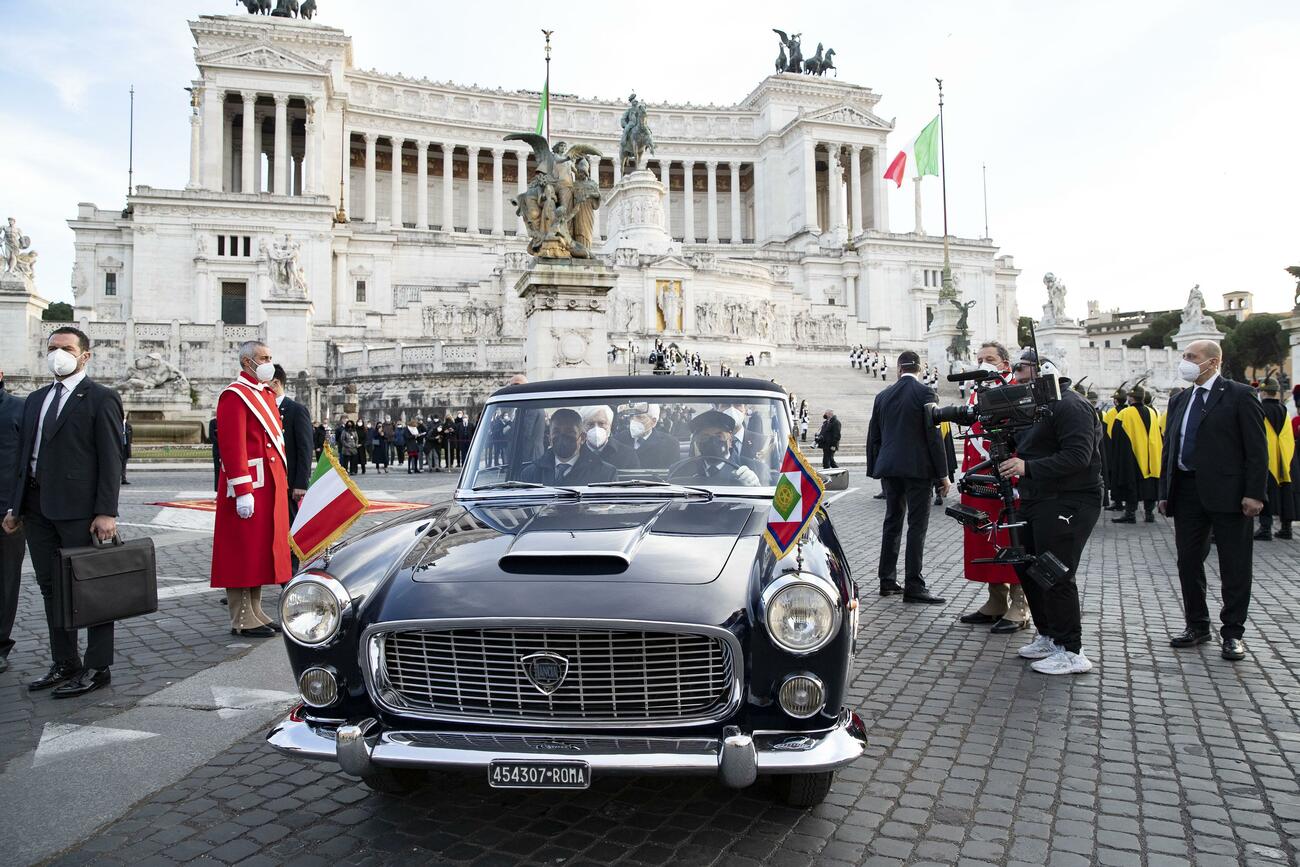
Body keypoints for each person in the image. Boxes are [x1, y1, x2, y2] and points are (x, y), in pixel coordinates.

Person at [2, 327, 123, 697]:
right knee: (51, 587)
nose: (58, 354)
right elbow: (24, 457)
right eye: (52, 348)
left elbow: (111, 458)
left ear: (84, 355)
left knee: (91, 588)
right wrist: (15, 505)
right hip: (36, 509)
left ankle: (97, 665)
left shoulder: (101, 398)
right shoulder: (36, 399)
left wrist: (106, 511)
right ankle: (64, 661)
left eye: (66, 348)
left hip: (81, 512)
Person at [995, 351, 1103, 675]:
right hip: (1037, 498)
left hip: (1070, 500)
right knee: (1030, 568)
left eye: (1023, 369)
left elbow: (1078, 456)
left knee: (1055, 571)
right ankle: (1049, 635)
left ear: (1046, 370)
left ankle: (1073, 650)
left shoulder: (1072, 405)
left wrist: (1027, 467)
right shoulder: (1034, 408)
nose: (1016, 375)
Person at [1159, 340, 1267, 662]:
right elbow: (1170, 448)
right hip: (1187, 491)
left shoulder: (1239, 395)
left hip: (1230, 494)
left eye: (1192, 357)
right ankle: (1197, 624)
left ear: (1213, 362)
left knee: (1234, 564)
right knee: (1188, 561)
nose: (1186, 362)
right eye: (1184, 357)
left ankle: (1233, 632)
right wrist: (1165, 491)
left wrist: (1254, 493)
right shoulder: (1179, 399)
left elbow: (1257, 449)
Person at [210, 341, 290, 638]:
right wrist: (242, 488)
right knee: (242, 549)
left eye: (270, 357)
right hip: (247, 485)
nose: (269, 362)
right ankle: (241, 616)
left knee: (258, 549)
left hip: (268, 483)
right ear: (247, 362)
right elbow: (232, 446)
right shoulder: (234, 396)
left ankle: (255, 610)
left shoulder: (264, 393)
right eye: (263, 358)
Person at [956, 342, 1029, 633]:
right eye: (980, 359)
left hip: (1006, 482)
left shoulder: (1014, 391)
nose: (984, 363)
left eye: (990, 359)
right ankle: (996, 599)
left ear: (1005, 363)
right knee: (984, 541)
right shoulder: (978, 391)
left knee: (1013, 541)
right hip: (980, 481)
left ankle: (1020, 604)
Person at [866, 349, 949, 604]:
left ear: (898, 369)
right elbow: (934, 436)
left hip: (890, 468)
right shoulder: (926, 393)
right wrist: (942, 475)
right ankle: (914, 584)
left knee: (892, 522)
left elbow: (874, 436)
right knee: (917, 525)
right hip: (917, 469)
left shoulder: (882, 395)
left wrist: (874, 467)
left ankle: (887, 580)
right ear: (920, 369)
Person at [269, 365, 312, 570]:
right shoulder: (263, 410)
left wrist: (301, 483)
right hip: (267, 483)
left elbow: (305, 449)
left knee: (289, 531)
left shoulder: (295, 410)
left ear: (275, 383)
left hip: (288, 484)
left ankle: (291, 574)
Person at [0, 369, 25, 675]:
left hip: (6, 512)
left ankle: (0, 643)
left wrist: (17, 508)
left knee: (5, 581)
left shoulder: (20, 408)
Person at [520, 408, 618, 486]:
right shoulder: (530, 474)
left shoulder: (606, 475)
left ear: (582, 437)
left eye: (569, 432)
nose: (562, 436)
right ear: (549, 438)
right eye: (557, 432)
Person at [667, 410, 763, 486]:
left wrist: (756, 488)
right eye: (705, 437)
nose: (712, 441)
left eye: (719, 436)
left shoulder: (754, 469)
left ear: (730, 440)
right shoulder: (680, 470)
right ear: (697, 442)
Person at [1110, 386, 1162, 524]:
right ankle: (1149, 513)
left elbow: (1116, 436)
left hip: (1132, 456)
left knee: (1131, 485)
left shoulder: (1125, 413)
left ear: (1131, 398)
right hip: (1151, 457)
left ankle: (1130, 513)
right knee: (1149, 486)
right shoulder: (1152, 412)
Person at [1255, 378, 1294, 541]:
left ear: (1263, 392)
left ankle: (1265, 528)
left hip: (1265, 457)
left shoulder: (1259, 409)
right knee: (1286, 492)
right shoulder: (1284, 410)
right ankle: (1286, 528)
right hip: (1284, 457)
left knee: (1264, 491)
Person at [615, 403, 679, 467]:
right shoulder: (617, 440)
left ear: (653, 422)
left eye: (639, 417)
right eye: (631, 417)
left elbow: (671, 474)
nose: (633, 421)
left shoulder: (670, 444)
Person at [580, 405, 639, 470]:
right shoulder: (575, 453)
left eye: (601, 423)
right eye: (590, 424)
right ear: (582, 427)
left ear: (610, 426)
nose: (596, 429)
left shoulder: (628, 454)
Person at [120, 420, 133, 485]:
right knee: (117, 464)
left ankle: (123, 479)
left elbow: (131, 436)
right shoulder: (118, 424)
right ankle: (116, 479)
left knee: (124, 464)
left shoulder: (128, 425)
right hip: (118, 447)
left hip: (125, 447)